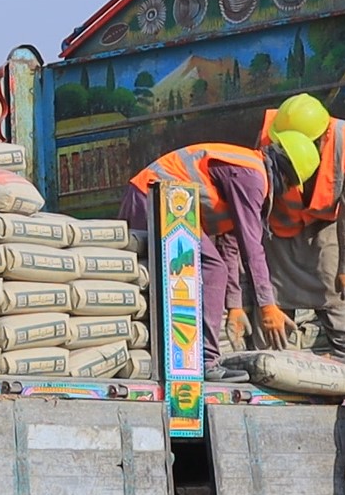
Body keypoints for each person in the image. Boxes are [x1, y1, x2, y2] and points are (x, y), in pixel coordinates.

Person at [121, 135, 319, 379]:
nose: (287, 192)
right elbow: (251, 245)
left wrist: (234, 306)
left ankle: (200, 358)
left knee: (213, 266)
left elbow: (231, 244)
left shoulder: (249, 172)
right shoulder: (252, 176)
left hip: (166, 197)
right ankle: (205, 360)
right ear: (285, 173)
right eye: (290, 185)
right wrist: (267, 305)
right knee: (210, 268)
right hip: (156, 195)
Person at [258, 94, 345, 359]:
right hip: (279, 232)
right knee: (270, 304)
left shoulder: (341, 141)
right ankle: (270, 369)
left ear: (319, 138)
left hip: (323, 226)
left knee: (337, 296)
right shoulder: (271, 136)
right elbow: (258, 201)